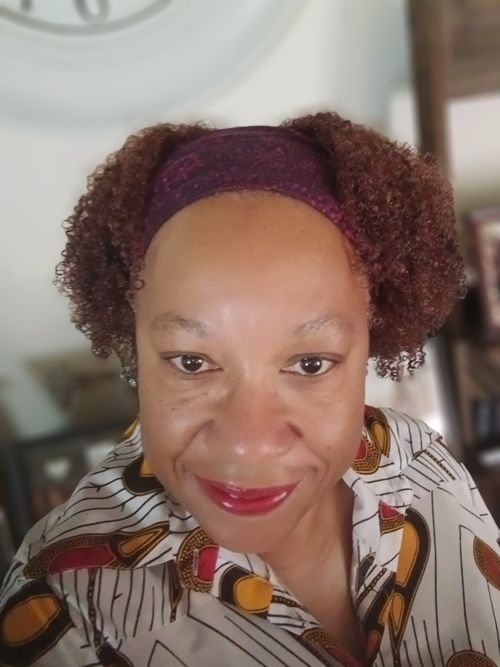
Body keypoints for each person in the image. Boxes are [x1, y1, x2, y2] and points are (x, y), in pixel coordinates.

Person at [0, 112, 499, 667]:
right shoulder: (66, 611)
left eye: (310, 363)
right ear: (134, 344)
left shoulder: (419, 460)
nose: (248, 442)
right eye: (192, 362)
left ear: (370, 340)